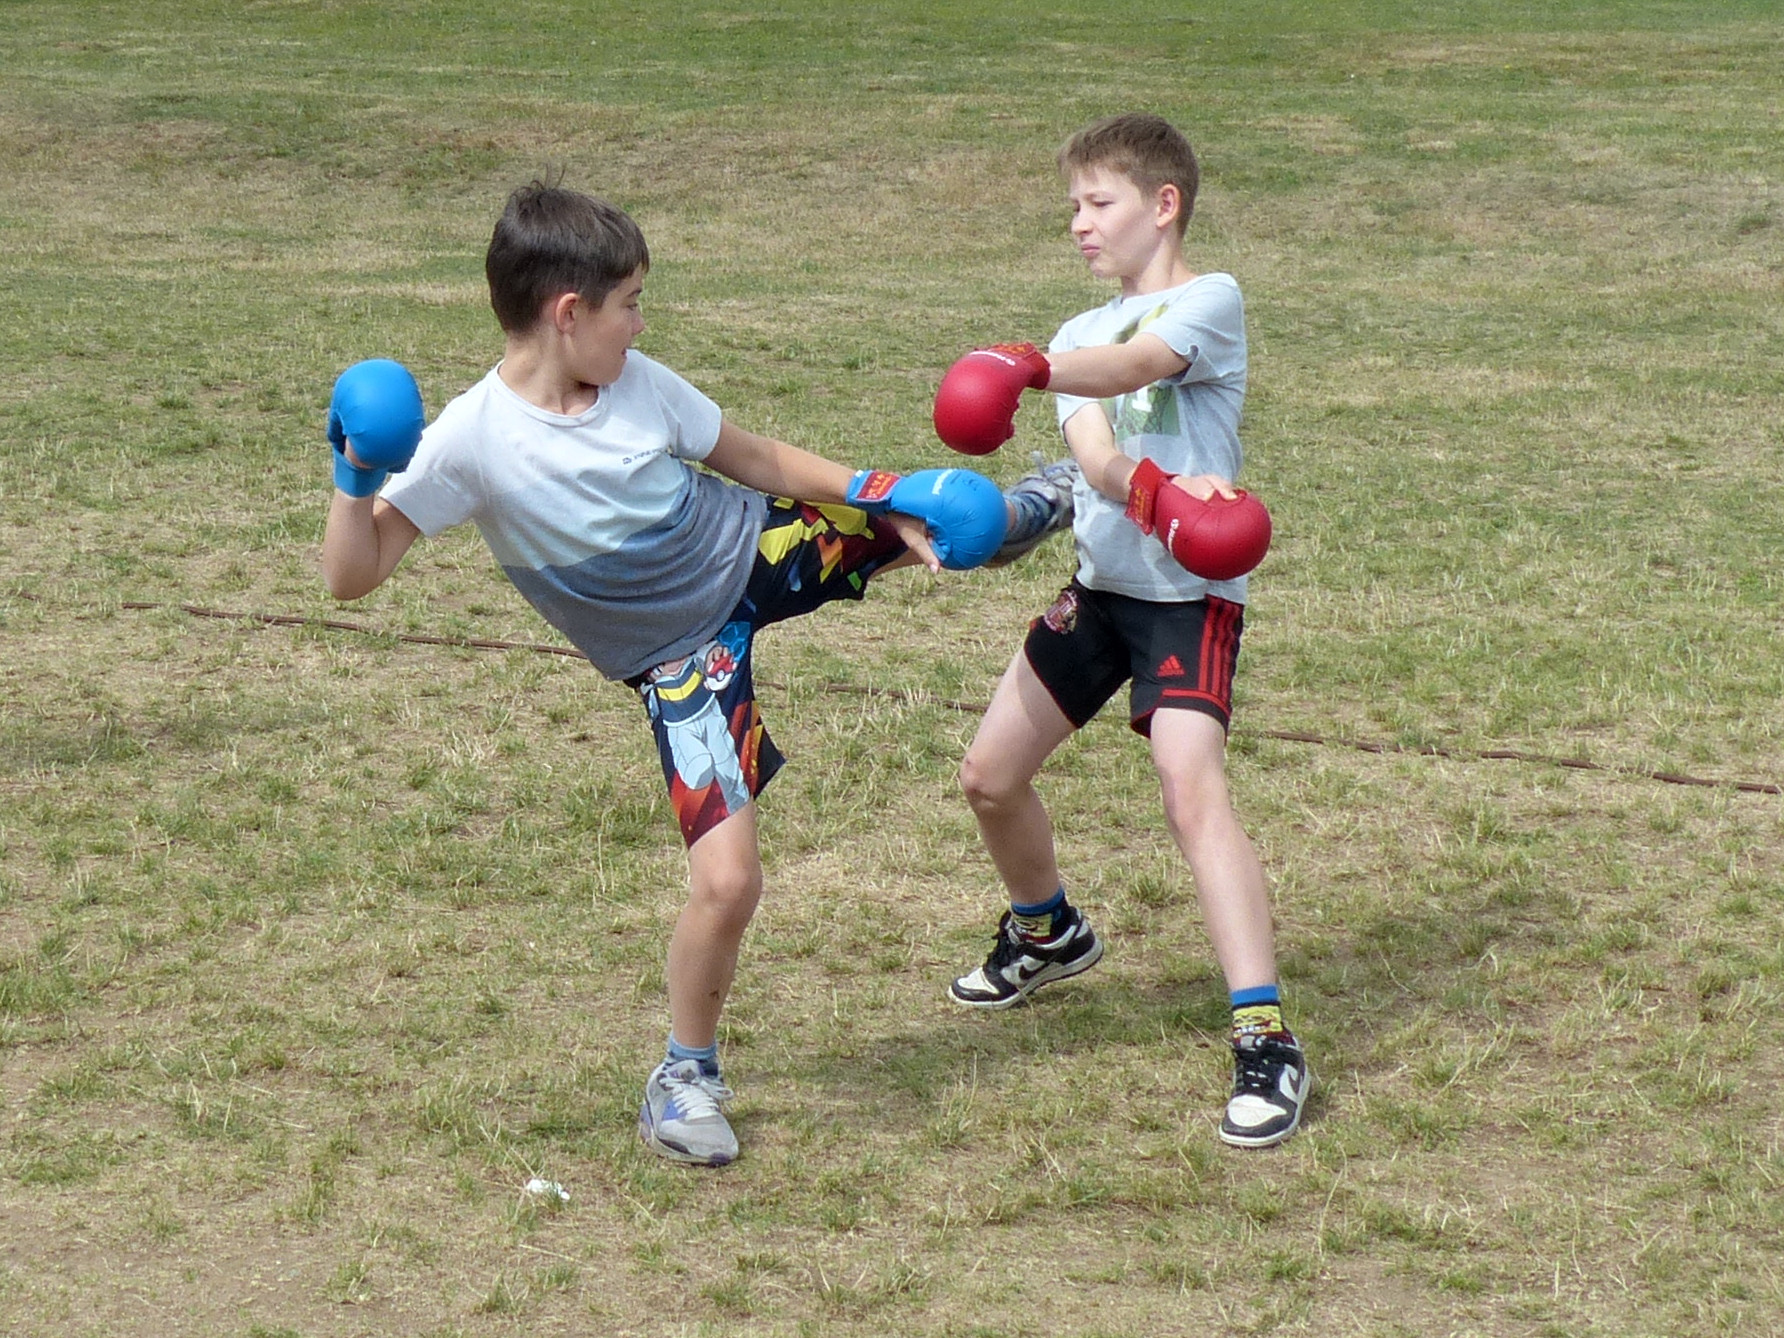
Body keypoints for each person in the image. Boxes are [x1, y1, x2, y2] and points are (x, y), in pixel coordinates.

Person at [319, 182, 1073, 1167]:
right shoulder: (469, 441)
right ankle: (684, 1078)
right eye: (629, 304)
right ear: (567, 313)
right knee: (728, 881)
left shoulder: (637, 383)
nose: (641, 324)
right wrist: (353, 477)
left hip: (753, 547)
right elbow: (353, 576)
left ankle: (1048, 501)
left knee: (954, 520)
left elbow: (751, 457)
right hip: (683, 657)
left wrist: (875, 491)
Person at [931, 114, 1310, 1148]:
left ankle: (1264, 1036)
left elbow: (1138, 361)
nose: (1078, 223)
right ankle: (1047, 932)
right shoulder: (1071, 333)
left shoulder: (1209, 301)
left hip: (1188, 599)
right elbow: (1094, 458)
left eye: (1097, 202)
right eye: (1073, 206)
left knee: (1190, 790)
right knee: (988, 777)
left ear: (1163, 204)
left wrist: (1031, 370)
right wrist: (1142, 487)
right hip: (1102, 590)